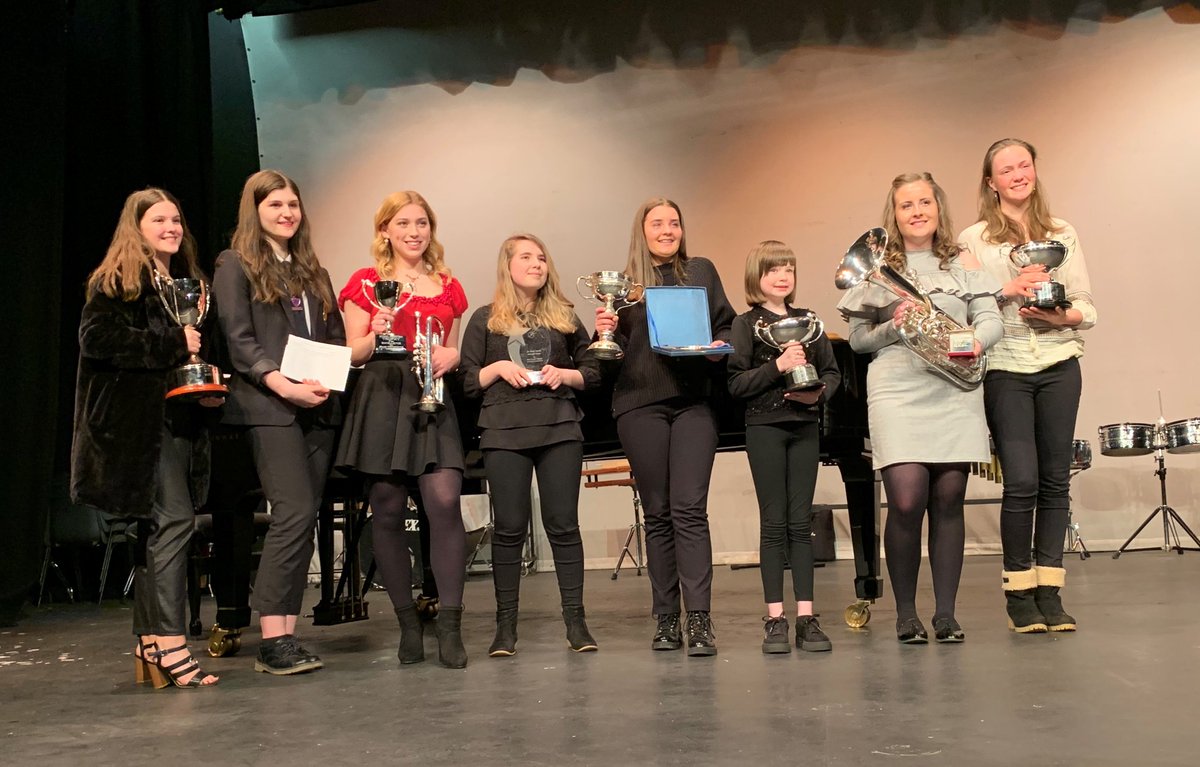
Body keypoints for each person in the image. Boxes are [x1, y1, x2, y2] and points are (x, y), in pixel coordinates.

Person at [836, 172, 1002, 644]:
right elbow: (858, 339)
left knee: (949, 499)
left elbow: (991, 319)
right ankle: (906, 613)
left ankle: (945, 614)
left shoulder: (962, 264)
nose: (917, 211)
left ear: (937, 207)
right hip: (897, 387)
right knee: (907, 500)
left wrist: (969, 340)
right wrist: (894, 326)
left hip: (955, 387)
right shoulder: (877, 269)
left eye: (924, 202)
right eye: (907, 204)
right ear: (895, 213)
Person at [72, 187, 220, 688]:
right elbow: (97, 341)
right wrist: (172, 342)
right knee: (175, 521)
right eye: (159, 220)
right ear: (136, 228)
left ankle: (147, 643)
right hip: (134, 429)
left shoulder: (180, 283)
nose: (171, 228)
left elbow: (182, 355)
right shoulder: (118, 281)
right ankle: (172, 644)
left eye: (176, 219)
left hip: (173, 423)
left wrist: (202, 384)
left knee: (159, 531)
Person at [959, 138, 1097, 633]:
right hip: (1006, 366)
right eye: (1006, 169)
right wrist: (1007, 291)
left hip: (1060, 362)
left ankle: (1050, 592)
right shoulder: (973, 239)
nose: (1018, 174)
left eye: (1024, 165)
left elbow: (1086, 305)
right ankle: (1019, 592)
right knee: (1020, 480)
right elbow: (966, 308)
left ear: (1034, 171)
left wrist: (1062, 317)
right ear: (991, 182)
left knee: (1056, 481)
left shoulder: (1062, 232)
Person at [212, 169, 345, 675]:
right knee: (290, 513)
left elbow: (331, 338)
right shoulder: (235, 263)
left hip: (318, 406)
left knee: (305, 517)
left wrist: (325, 383)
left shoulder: (313, 270)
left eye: (293, 204)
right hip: (269, 406)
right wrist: (284, 384)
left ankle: (287, 635)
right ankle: (271, 639)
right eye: (275, 206)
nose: (287, 213)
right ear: (256, 211)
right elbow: (240, 340)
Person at [595, 197, 735, 656]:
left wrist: (720, 345)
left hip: (694, 403)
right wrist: (605, 332)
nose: (668, 229)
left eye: (674, 222)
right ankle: (665, 621)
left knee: (689, 508)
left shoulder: (701, 271)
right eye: (658, 223)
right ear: (643, 230)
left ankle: (699, 620)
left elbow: (729, 326)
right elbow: (610, 359)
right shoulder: (623, 285)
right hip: (640, 403)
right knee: (657, 513)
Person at [335, 191, 469, 669]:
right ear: (385, 231)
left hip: (433, 400)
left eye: (422, 223)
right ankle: (408, 627)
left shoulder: (448, 286)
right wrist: (374, 329)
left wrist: (454, 358)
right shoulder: (365, 283)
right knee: (387, 512)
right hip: (382, 400)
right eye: (404, 223)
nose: (415, 232)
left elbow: (447, 348)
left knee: (445, 501)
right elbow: (351, 353)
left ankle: (450, 627)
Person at [460, 234, 601, 657]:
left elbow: (592, 370)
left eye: (542, 257)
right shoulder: (485, 319)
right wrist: (499, 366)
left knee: (563, 525)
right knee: (508, 529)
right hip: (504, 432)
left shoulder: (565, 318)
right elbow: (467, 381)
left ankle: (576, 623)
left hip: (559, 427)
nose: (537, 264)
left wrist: (567, 374)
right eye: (527, 257)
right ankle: (506, 629)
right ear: (508, 265)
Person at [727, 240, 841, 654]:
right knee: (774, 524)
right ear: (757, 277)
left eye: (789, 269)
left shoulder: (809, 320)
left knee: (801, 525)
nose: (782, 276)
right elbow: (736, 383)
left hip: (804, 426)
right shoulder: (745, 324)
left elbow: (831, 371)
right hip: (765, 427)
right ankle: (775, 618)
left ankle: (807, 617)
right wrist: (777, 366)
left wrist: (820, 393)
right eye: (774, 269)